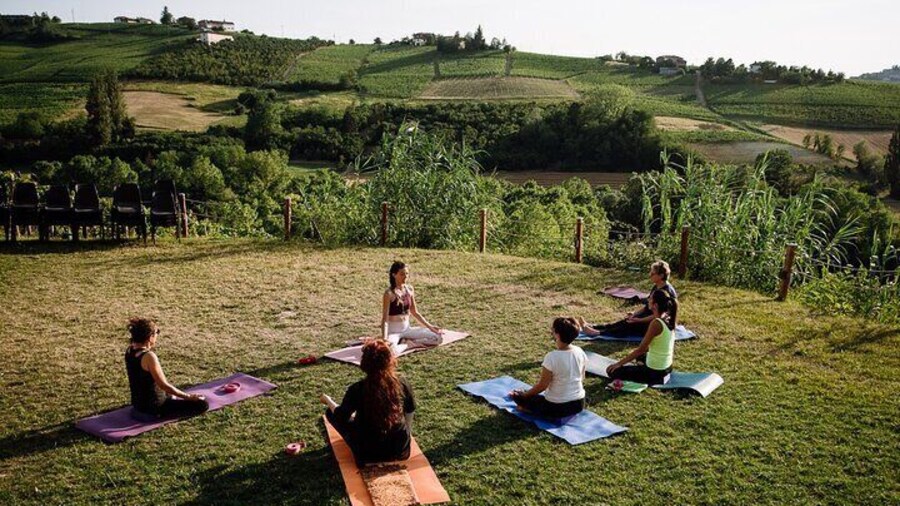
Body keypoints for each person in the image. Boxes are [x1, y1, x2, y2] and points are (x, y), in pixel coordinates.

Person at [321, 340, 417, 464]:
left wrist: (328, 401)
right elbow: (410, 410)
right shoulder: (402, 383)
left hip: (367, 454)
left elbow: (341, 416)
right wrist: (407, 433)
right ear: (390, 361)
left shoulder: (357, 389)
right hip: (400, 450)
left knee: (331, 412)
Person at [125, 317, 209, 419]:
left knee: (170, 395)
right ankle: (162, 414)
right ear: (150, 337)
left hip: (138, 406)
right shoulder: (148, 356)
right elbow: (164, 385)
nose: (157, 336)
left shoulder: (129, 351)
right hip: (154, 408)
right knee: (202, 405)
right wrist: (189, 397)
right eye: (157, 332)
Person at [509, 317, 586, 419]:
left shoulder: (552, 357)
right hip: (579, 404)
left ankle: (526, 408)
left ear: (557, 334)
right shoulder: (580, 351)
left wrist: (524, 396)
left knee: (518, 398)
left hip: (556, 407)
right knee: (532, 396)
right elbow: (582, 377)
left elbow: (542, 386)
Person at [582, 260, 677, 338]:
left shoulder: (667, 292)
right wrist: (634, 314)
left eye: (652, 273)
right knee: (626, 320)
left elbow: (659, 316)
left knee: (628, 325)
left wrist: (639, 320)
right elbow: (646, 307)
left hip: (655, 323)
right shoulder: (656, 286)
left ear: (661, 276)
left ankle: (598, 333)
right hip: (647, 317)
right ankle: (594, 327)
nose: (650, 275)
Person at [605, 289, 679, 385]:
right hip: (667, 368)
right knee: (640, 357)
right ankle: (641, 368)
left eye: (650, 298)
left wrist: (619, 364)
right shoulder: (668, 317)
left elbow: (641, 349)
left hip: (655, 373)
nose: (648, 300)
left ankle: (645, 373)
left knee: (611, 371)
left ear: (655, 305)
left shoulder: (656, 323)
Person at [381, 261, 443, 355]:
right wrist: (384, 338)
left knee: (438, 338)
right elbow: (385, 320)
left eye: (407, 273)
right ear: (394, 275)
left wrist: (431, 327)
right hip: (393, 331)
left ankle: (411, 343)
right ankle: (407, 345)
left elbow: (415, 312)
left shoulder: (409, 289)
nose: (405, 277)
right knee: (389, 352)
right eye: (402, 274)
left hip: (407, 329)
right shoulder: (389, 293)